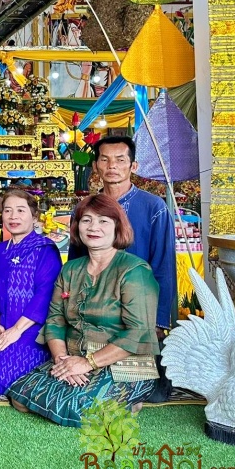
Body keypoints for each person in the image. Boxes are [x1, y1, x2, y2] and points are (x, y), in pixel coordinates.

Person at [7, 194, 160, 427]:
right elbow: (55, 320)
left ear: (118, 227)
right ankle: (103, 398)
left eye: (103, 221)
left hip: (121, 364)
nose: (93, 227)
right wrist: (62, 360)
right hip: (73, 357)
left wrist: (88, 363)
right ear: (77, 228)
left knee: (78, 411)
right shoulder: (70, 270)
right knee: (19, 396)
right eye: (86, 220)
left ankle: (131, 399)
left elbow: (138, 332)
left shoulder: (134, 270)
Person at [67, 136, 176, 402]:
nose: (111, 165)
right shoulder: (83, 209)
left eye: (120, 159)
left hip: (138, 313)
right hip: (95, 311)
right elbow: (74, 265)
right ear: (96, 166)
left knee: (153, 395)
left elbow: (163, 266)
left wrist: (159, 321)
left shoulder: (154, 208)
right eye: (104, 159)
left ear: (133, 165)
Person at [0, 189, 62, 395]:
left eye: (20, 210)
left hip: (32, 330)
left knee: (1, 378)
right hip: (4, 327)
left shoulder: (45, 249)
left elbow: (45, 295)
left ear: (34, 216)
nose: (13, 217)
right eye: (8, 211)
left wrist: (16, 330)